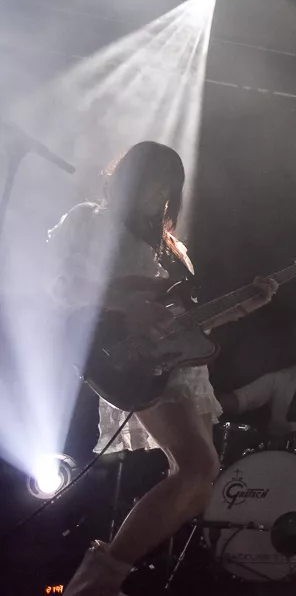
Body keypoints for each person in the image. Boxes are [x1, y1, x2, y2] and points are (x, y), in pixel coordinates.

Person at [48, 141, 278, 596]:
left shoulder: (174, 248)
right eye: (152, 176)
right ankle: (96, 581)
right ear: (129, 177)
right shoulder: (94, 220)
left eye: (170, 181)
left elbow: (186, 319)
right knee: (199, 466)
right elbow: (62, 285)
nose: (161, 189)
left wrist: (241, 307)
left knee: (198, 481)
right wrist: (125, 303)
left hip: (182, 366)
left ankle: (103, 578)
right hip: (133, 358)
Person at [219, 319, 296, 437]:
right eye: (295, 340)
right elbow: (240, 400)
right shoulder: (280, 379)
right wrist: (203, 402)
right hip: (285, 457)